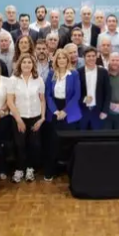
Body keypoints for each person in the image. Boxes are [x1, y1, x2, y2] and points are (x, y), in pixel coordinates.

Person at [7, 53, 45, 183]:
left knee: (33, 144)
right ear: (20, 64)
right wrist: (18, 120)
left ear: (33, 65)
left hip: (35, 117)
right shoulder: (13, 80)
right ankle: (19, 169)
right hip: (19, 117)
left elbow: (42, 100)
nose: (27, 64)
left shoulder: (38, 79)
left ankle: (30, 169)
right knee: (19, 144)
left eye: (29, 62)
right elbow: (10, 101)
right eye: (24, 62)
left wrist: (42, 118)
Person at [45, 49, 82, 180]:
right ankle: (52, 170)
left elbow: (77, 95)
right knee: (53, 142)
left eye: (64, 58)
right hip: (54, 110)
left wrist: (65, 111)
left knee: (69, 142)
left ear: (67, 60)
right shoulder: (51, 74)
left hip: (69, 111)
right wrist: (55, 111)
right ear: (56, 60)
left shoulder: (74, 74)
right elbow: (48, 94)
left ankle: (72, 170)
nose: (61, 60)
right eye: (59, 58)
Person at [77, 47, 110, 130]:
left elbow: (108, 92)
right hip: (82, 111)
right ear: (84, 57)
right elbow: (75, 92)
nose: (91, 58)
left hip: (98, 111)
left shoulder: (103, 72)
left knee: (97, 138)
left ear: (97, 57)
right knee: (81, 137)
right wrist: (83, 99)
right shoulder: (78, 72)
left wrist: (105, 111)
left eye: (93, 56)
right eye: (88, 56)